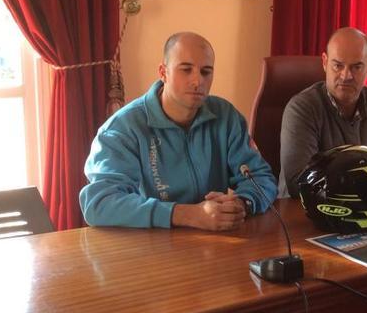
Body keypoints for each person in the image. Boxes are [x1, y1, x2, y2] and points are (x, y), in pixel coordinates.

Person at [80, 32, 277, 230]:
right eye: (186, 69)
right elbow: (99, 204)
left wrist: (243, 203)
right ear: (163, 72)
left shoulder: (226, 116)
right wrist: (188, 215)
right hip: (150, 246)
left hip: (215, 243)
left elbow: (263, 179)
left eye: (206, 72)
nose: (197, 81)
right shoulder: (123, 128)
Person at [279, 27, 367, 198]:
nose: (346, 75)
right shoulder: (302, 108)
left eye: (356, 67)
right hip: (302, 215)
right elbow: (300, 182)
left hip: (363, 210)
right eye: (338, 65)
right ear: (325, 62)